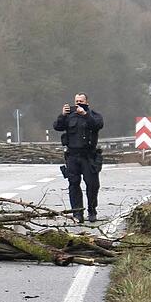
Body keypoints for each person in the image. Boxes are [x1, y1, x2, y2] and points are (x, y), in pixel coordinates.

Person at [53, 92, 104, 223]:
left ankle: (92, 210)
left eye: (81, 101)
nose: (78, 104)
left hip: (88, 156)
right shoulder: (69, 116)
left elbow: (97, 125)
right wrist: (62, 115)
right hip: (72, 156)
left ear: (87, 102)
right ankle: (77, 213)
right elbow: (57, 126)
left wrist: (85, 115)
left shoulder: (94, 116)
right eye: (76, 101)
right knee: (73, 184)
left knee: (92, 185)